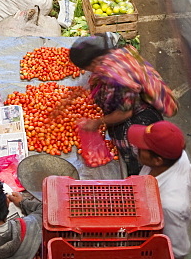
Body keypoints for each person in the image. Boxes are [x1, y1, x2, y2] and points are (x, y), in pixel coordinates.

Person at [70, 36, 178, 174]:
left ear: (95, 62)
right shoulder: (115, 55)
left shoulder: (118, 80)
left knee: (134, 148)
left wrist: (98, 122)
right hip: (136, 98)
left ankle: (137, 172)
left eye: (87, 67)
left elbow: (125, 113)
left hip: (139, 115)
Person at [130, 121, 191, 259]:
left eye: (142, 147)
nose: (136, 147)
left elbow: (178, 249)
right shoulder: (175, 154)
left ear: (158, 160)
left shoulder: (170, 204)